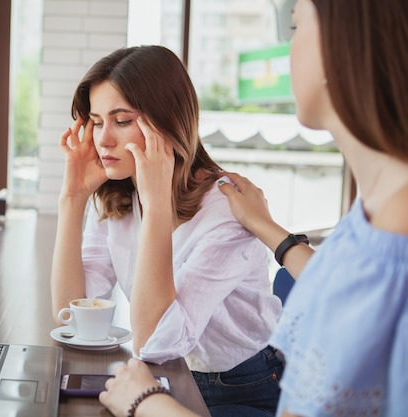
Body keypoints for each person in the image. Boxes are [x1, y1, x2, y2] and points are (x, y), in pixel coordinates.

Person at [99, 0, 408, 416]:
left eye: (297, 27)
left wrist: (146, 403)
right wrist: (267, 227)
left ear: (346, 44)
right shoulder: (370, 219)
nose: (287, 48)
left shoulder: (393, 235)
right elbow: (346, 289)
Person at [51, 45, 284, 416]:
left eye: (122, 120)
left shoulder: (225, 208)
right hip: (165, 375)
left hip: (240, 385)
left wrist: (157, 204)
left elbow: (155, 343)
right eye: (96, 122)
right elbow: (70, 313)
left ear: (166, 123)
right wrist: (72, 198)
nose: (103, 139)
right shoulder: (119, 193)